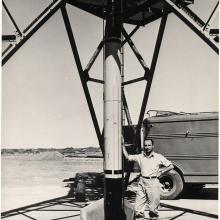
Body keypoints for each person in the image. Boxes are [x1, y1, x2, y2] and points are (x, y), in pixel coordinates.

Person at [122, 138, 174, 219]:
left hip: (153, 182)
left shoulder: (158, 157)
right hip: (142, 182)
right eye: (145, 145)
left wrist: (161, 172)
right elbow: (128, 157)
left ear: (153, 146)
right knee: (138, 209)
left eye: (149, 145)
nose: (147, 147)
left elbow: (171, 166)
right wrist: (122, 146)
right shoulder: (140, 157)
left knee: (153, 210)